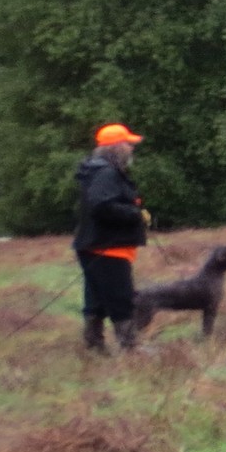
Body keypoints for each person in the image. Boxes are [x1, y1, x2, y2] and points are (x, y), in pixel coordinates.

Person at [72, 123, 149, 352]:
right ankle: (130, 347)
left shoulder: (98, 171)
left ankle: (94, 345)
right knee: (121, 298)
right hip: (107, 247)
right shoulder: (106, 173)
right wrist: (134, 213)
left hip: (96, 245)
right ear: (116, 148)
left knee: (96, 299)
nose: (131, 148)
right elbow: (101, 205)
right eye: (128, 144)